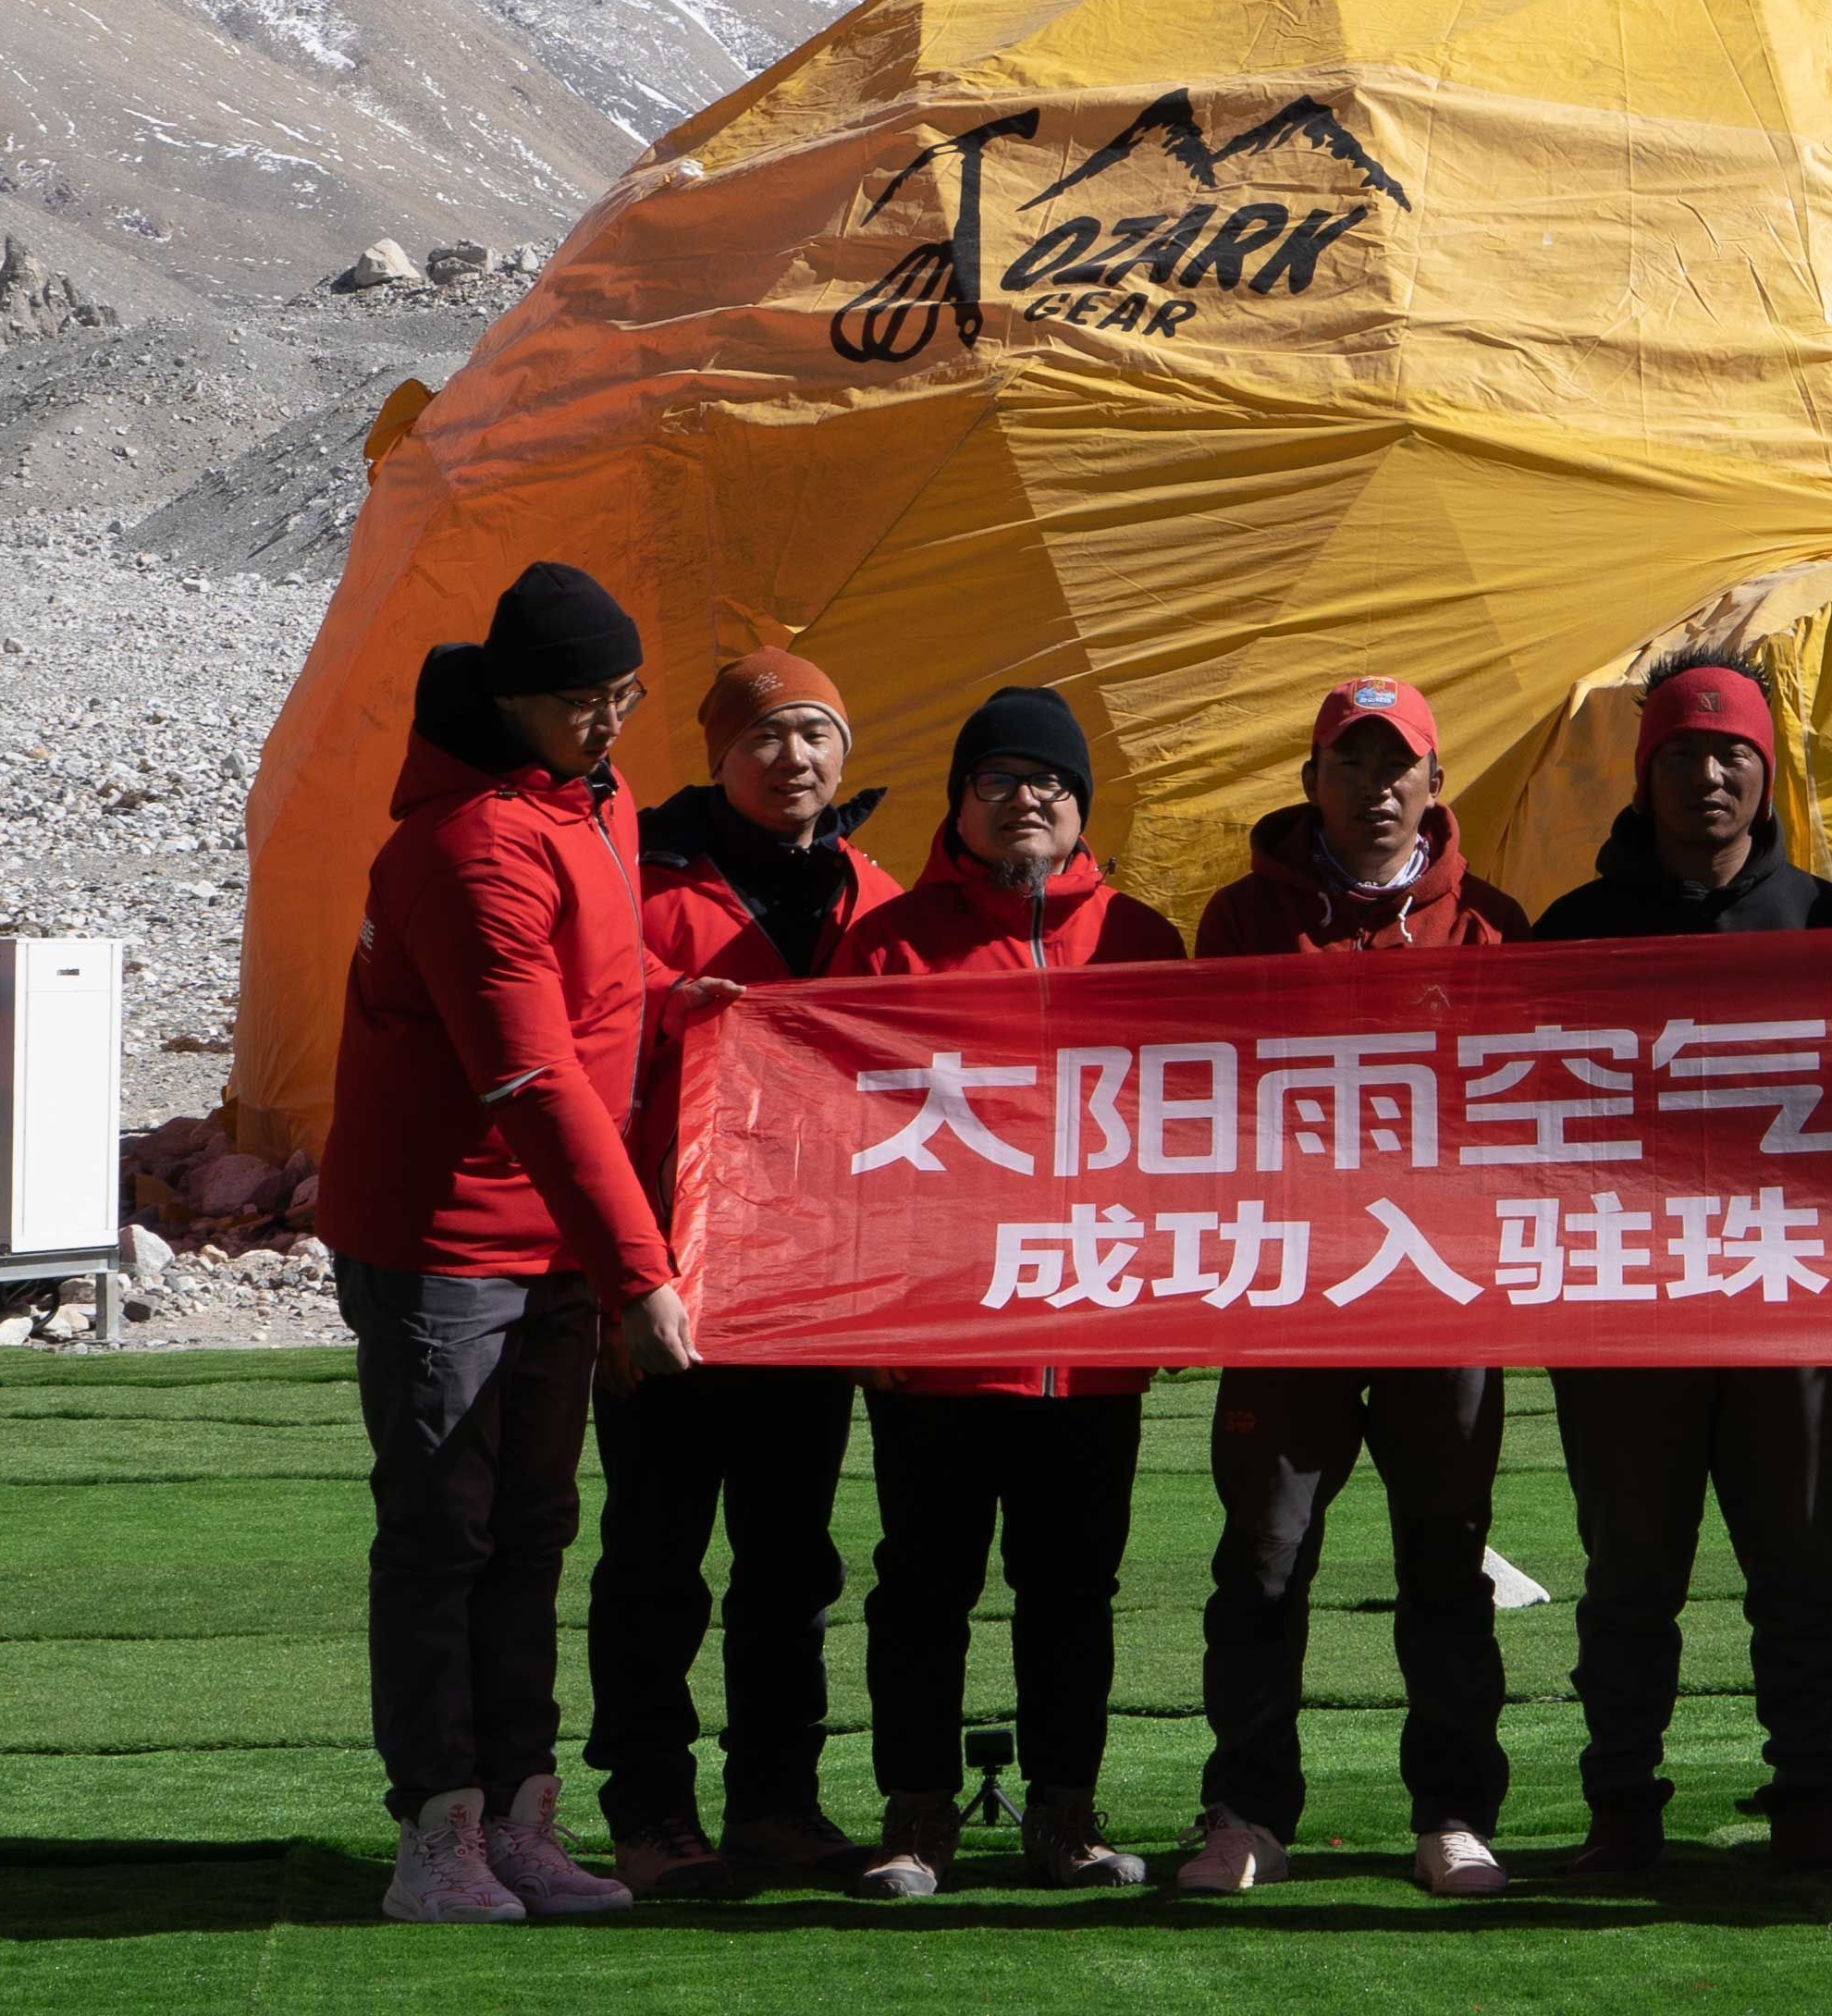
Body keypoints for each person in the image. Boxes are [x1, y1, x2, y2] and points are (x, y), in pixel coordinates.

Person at [314, 560, 694, 1926]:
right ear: (513, 699)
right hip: (448, 1242)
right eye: (584, 700)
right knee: (444, 1532)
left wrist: (688, 995)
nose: (611, 721)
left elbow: (593, 988)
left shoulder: (594, 801)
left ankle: (520, 1815)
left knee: (531, 1527)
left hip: (548, 1236)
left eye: (625, 693)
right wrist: (640, 1269)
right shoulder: (471, 846)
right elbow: (531, 1074)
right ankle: (438, 1830)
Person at [1173, 676, 1533, 1899]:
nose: (1376, 789)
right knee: (1263, 1561)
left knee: (1447, 1557)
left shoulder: (1489, 924)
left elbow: (1533, 1104)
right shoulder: (1242, 919)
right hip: (1289, 1290)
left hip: (1441, 1290)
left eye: (1397, 766)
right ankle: (1246, 1814)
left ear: (1435, 783)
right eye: (1351, 764)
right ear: (1311, 781)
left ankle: (1453, 1814)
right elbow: (1194, 1094)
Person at [823, 686, 1186, 1899]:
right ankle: (917, 1817)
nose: (1026, 797)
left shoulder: (1143, 942)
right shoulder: (889, 944)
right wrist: (862, 1309)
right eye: (998, 778)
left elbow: (1193, 1135)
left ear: (1081, 804)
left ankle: (1065, 1816)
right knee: (922, 1586)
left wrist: (1182, 1292)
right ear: (960, 801)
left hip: (1092, 1327)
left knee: (1074, 1587)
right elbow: (837, 1132)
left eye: (1050, 780)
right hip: (934, 1336)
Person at [1530, 651, 1832, 1875]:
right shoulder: (1574, 932)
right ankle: (1622, 1807)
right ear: (1646, 773)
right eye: (1683, 752)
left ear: (1766, 772)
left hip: (1799, 1306)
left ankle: (1808, 1801)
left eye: (1733, 752)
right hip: (1627, 1305)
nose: (1710, 774)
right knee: (1630, 1574)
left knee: (1803, 1570)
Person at [584, 647, 895, 1895]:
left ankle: (777, 1801)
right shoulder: (639, 878)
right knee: (655, 1557)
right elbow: (582, 1030)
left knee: (791, 1558)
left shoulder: (874, 893)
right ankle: (650, 1810)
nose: (794, 758)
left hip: (809, 1278)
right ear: (718, 754)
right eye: (765, 734)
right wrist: (616, 1276)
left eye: (816, 732)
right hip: (668, 1272)